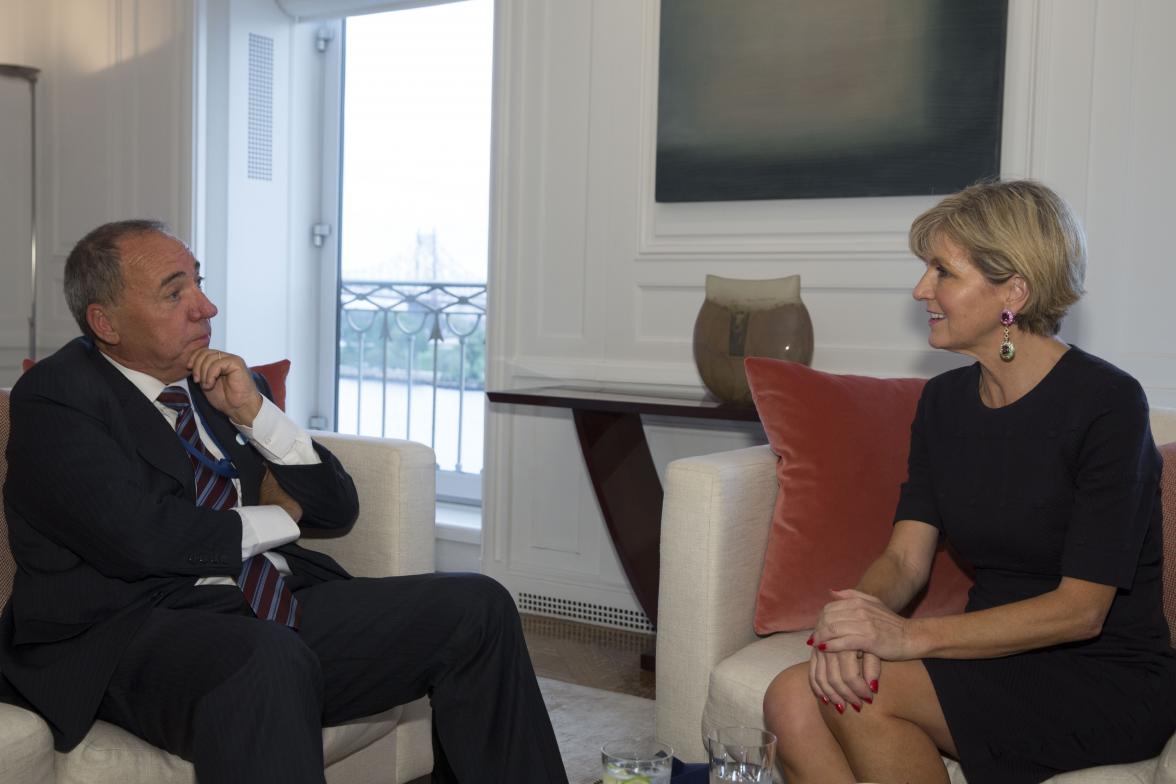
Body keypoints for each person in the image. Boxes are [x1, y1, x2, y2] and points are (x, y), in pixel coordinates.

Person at [0, 219, 568, 784]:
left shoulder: (222, 383)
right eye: (175, 293)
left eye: (198, 282)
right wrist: (279, 516)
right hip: (128, 634)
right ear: (106, 322)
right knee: (267, 659)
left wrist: (257, 416)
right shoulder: (57, 398)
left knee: (478, 606)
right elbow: (144, 540)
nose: (206, 307)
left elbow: (336, 509)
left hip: (262, 607)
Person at [762, 180, 1176, 784]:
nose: (921, 290)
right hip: (982, 655)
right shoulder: (943, 402)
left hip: (1098, 671)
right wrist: (855, 618)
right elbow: (905, 559)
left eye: (942, 273)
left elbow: (1081, 611)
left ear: (1014, 290)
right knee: (790, 700)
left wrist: (908, 637)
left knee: (863, 694)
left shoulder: (1107, 403)